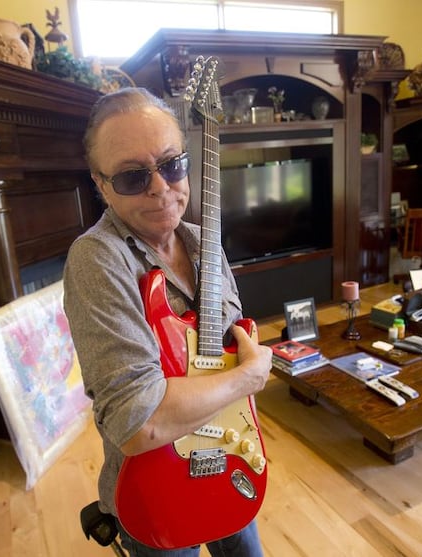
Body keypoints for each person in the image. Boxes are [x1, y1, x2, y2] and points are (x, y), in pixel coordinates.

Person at [63, 87, 273, 557]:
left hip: (230, 447)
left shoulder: (204, 244)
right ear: (101, 184)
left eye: (172, 165)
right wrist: (248, 377)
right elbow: (141, 423)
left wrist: (241, 363)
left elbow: (238, 339)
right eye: (133, 177)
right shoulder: (98, 260)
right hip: (160, 483)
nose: (160, 188)